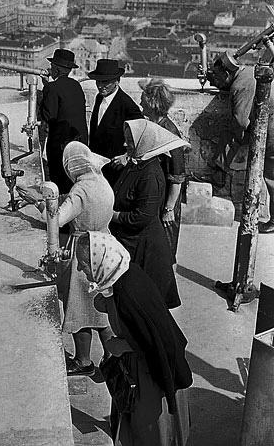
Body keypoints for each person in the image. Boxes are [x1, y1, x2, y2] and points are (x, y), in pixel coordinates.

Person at [74, 231, 193, 445]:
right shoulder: (124, 275)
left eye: (83, 263)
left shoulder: (128, 295)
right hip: (139, 368)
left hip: (151, 376)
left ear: (100, 262)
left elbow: (155, 340)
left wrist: (120, 346)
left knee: (149, 432)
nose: (79, 269)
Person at [16, 141, 114, 376]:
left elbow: (57, 220)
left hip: (83, 249)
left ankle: (83, 361)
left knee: (79, 306)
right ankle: (113, 358)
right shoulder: (100, 180)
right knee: (103, 309)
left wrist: (38, 201)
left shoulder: (81, 189)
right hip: (105, 245)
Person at [110, 119, 189, 309]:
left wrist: (114, 216)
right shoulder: (137, 163)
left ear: (143, 143)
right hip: (132, 244)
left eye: (130, 141)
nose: (125, 144)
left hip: (145, 251)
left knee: (146, 308)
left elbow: (143, 216)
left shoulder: (150, 174)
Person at [208, 51, 274, 234]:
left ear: (227, 73)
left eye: (218, 76)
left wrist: (236, 139)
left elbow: (241, 123)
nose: (217, 80)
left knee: (271, 178)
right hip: (270, 125)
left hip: (271, 132)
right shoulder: (246, 73)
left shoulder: (240, 85)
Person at [139, 79, 187, 263]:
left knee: (164, 250)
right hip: (156, 196)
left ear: (152, 102)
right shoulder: (154, 126)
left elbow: (177, 177)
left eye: (143, 98)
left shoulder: (169, 132)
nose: (140, 102)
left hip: (166, 200)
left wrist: (169, 209)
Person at [39, 48, 88, 194]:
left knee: (59, 182)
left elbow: (47, 115)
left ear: (55, 69)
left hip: (60, 145)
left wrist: (46, 88)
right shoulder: (76, 86)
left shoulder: (52, 88)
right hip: (80, 142)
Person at [88, 59, 143, 186]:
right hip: (97, 168)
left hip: (115, 171)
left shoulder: (127, 105)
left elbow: (142, 136)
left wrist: (127, 156)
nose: (100, 85)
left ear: (117, 81)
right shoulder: (99, 98)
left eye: (105, 81)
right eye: (98, 81)